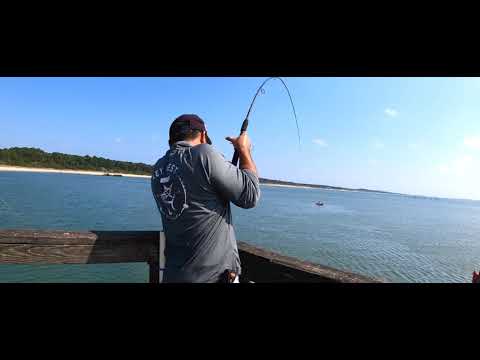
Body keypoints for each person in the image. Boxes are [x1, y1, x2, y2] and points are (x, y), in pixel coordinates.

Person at [151, 114, 260, 283]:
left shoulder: (158, 168)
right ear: (202, 135)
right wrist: (244, 150)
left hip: (172, 276)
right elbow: (250, 195)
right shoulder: (204, 154)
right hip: (212, 278)